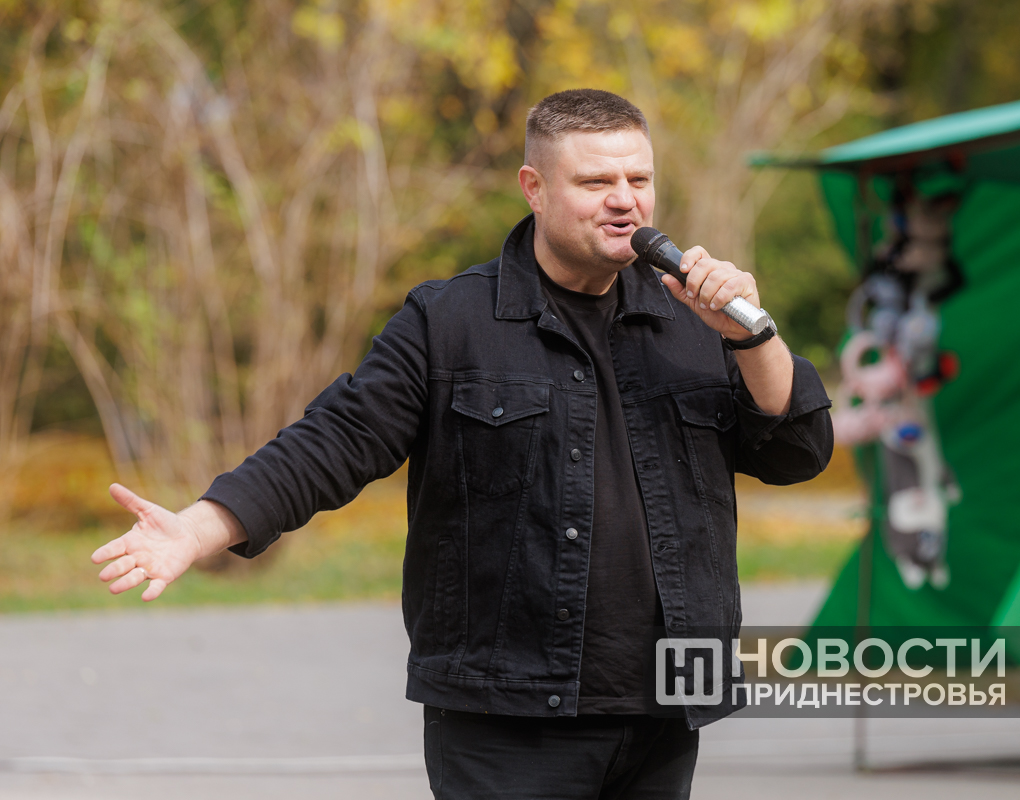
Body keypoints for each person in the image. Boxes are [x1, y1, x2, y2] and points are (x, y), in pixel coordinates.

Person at [91, 88, 833, 799]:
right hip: (504, 712)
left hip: (666, 705)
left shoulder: (698, 322)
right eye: (596, 181)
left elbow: (799, 451)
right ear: (534, 188)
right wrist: (198, 529)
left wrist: (751, 333)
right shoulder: (448, 322)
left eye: (638, 179)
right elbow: (334, 441)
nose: (624, 200)